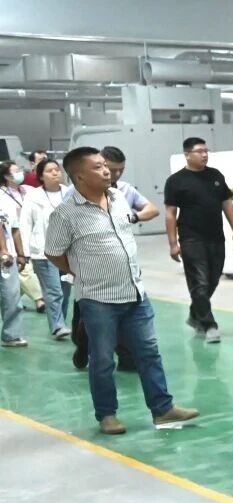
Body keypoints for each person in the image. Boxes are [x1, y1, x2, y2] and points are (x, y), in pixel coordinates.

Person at [44, 147, 199, 435]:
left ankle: (163, 409)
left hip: (135, 293)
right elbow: (53, 252)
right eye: (98, 167)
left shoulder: (118, 198)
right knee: (103, 360)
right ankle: (107, 415)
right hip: (98, 299)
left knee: (149, 353)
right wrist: (79, 271)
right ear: (79, 176)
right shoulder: (65, 214)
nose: (107, 171)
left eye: (105, 165)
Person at [70, 146, 158, 371]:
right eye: (110, 168)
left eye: (121, 170)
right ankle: (83, 346)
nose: (115, 174)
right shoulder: (76, 193)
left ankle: (126, 356)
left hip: (122, 266)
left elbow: (152, 209)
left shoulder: (124, 191)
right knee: (89, 320)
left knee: (126, 312)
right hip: (90, 270)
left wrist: (133, 217)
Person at [164, 137, 233, 344]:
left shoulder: (215, 176)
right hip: (191, 239)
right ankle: (209, 324)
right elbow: (170, 213)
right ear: (187, 155)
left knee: (212, 280)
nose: (204, 154)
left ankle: (195, 314)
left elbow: (227, 204)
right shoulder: (176, 181)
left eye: (206, 151)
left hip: (216, 237)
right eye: (199, 151)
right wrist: (173, 243)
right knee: (199, 283)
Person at [17, 156, 72, 339]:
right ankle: (57, 326)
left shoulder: (69, 193)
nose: (55, 173)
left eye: (57, 169)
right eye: (50, 171)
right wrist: (24, 252)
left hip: (68, 252)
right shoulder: (33, 196)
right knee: (53, 290)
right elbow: (25, 224)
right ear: (41, 176)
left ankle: (59, 321)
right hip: (43, 251)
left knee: (65, 290)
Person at [2, 162, 42, 314]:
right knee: (25, 269)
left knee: (21, 272)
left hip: (33, 234)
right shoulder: (2, 194)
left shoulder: (29, 190)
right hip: (12, 238)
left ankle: (14, 299)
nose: (20, 172)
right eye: (16, 170)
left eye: (20, 169)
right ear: (7, 176)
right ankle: (40, 299)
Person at [0, 161, 26, 347]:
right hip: (4, 254)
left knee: (12, 296)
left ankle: (11, 334)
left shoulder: (8, 199)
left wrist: (20, 253)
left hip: (8, 258)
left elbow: (14, 228)